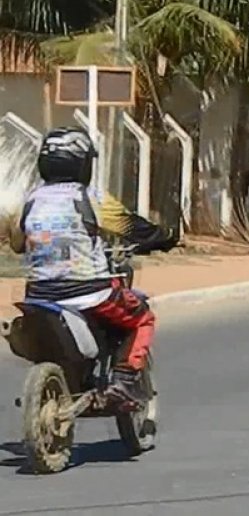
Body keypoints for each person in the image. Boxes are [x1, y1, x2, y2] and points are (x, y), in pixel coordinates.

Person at [5, 127, 178, 404]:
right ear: (83, 163)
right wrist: (166, 238)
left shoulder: (28, 202)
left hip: (39, 295)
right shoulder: (91, 198)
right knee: (142, 317)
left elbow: (17, 244)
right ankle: (123, 379)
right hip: (92, 293)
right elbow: (133, 228)